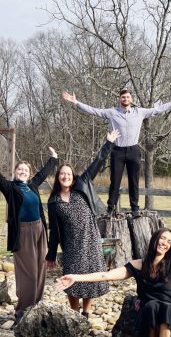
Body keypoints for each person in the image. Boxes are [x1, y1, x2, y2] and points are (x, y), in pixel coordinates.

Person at [62, 89, 171, 216]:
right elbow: (94, 110)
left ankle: (135, 209)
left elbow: (157, 110)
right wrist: (76, 102)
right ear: (119, 99)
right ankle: (110, 209)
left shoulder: (139, 112)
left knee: (134, 181)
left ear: (131, 99)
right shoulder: (112, 113)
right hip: (118, 151)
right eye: (123, 97)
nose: (125, 99)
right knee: (115, 181)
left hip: (133, 150)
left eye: (128, 97)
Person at [46, 130, 120, 318]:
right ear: (58, 177)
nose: (65, 176)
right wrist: (51, 254)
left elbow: (97, 163)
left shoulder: (82, 184)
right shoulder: (53, 202)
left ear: (73, 176)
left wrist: (108, 143)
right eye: (62, 174)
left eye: (68, 173)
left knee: (92, 276)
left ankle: (86, 312)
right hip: (71, 245)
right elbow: (54, 231)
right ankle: (74, 312)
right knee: (72, 278)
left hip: (91, 239)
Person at [0, 147, 58, 322]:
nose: (22, 172)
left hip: (39, 230)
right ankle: (22, 310)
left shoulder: (32, 186)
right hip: (23, 233)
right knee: (28, 273)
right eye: (20, 169)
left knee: (41, 268)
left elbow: (42, 174)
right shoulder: (10, 188)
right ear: (15, 172)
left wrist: (54, 158)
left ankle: (37, 305)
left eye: (25, 170)